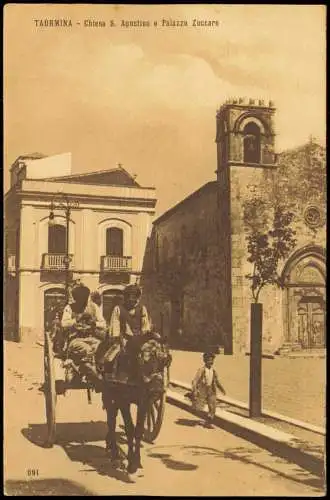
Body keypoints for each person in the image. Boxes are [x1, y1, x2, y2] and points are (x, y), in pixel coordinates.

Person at [101, 284, 154, 378]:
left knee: (150, 355)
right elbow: (115, 327)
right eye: (130, 297)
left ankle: (150, 375)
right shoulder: (118, 309)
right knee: (109, 358)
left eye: (135, 298)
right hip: (123, 339)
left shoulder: (142, 309)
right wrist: (118, 338)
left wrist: (143, 336)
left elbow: (145, 327)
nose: (132, 300)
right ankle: (108, 374)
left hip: (139, 340)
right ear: (126, 297)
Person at [61, 283, 107, 388]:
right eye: (80, 300)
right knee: (86, 350)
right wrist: (76, 319)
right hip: (76, 340)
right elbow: (63, 324)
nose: (83, 302)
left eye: (85, 299)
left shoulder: (94, 307)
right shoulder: (69, 308)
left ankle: (96, 372)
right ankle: (88, 370)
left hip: (92, 338)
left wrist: (94, 324)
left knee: (101, 348)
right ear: (76, 299)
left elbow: (103, 324)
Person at [190, 351, 226, 428]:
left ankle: (208, 423)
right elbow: (195, 380)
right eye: (209, 360)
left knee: (213, 407)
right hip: (203, 389)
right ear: (205, 361)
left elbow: (216, 381)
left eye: (212, 360)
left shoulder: (213, 371)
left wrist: (222, 389)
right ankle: (205, 420)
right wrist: (194, 390)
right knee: (198, 407)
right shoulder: (201, 370)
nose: (211, 362)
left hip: (211, 390)